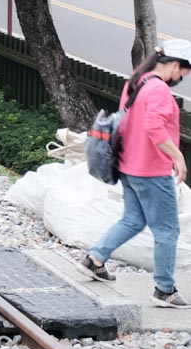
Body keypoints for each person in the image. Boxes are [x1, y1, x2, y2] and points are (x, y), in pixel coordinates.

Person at [81, 39, 191, 307]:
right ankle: (164, 289)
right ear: (175, 65)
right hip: (151, 170)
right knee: (167, 231)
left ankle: (94, 259)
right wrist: (178, 158)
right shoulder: (160, 91)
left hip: (128, 165)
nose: (182, 78)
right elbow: (154, 128)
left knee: (133, 220)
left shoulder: (136, 81)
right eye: (183, 73)